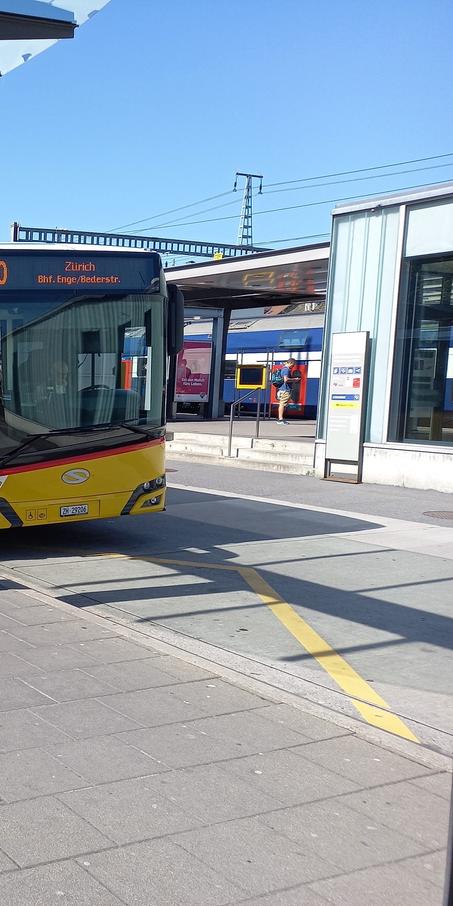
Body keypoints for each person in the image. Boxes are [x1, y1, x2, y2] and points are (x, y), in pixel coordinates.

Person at [276, 357, 299, 424]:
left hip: (282, 389)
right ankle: (280, 419)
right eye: (293, 365)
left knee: (282, 404)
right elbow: (286, 379)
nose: (293, 366)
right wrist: (295, 379)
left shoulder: (283, 369)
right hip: (285, 390)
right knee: (282, 404)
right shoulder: (286, 370)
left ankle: (280, 419)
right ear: (290, 363)